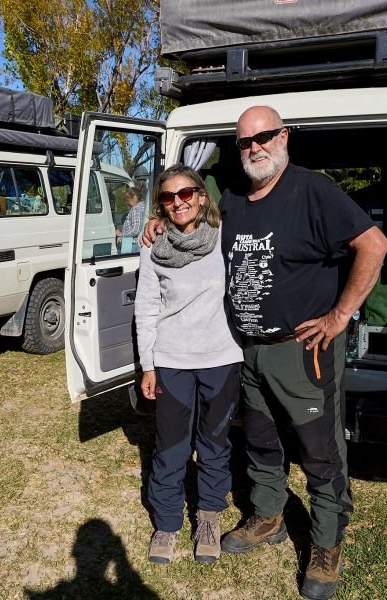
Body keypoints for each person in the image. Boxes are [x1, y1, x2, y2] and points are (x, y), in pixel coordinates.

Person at [142, 106, 387, 599]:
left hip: (301, 351)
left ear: (284, 138)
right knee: (261, 442)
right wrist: (155, 222)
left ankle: (325, 544)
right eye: (245, 141)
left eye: (264, 137)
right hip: (246, 350)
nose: (254, 147)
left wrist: (340, 316)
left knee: (320, 452)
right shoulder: (232, 198)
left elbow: (374, 244)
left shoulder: (313, 190)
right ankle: (268, 516)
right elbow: (190, 221)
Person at [134, 164, 243, 566]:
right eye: (167, 197)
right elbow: (146, 308)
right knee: (171, 446)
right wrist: (148, 365)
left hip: (221, 358)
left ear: (200, 195)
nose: (177, 202)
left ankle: (209, 518)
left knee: (214, 444)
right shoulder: (153, 244)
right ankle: (166, 523)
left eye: (185, 194)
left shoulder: (226, 238)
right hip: (172, 361)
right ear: (160, 205)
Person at [117, 186, 145, 252]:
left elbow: (135, 230)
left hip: (132, 244)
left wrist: (121, 235)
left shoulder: (135, 209)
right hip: (134, 243)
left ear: (135, 198)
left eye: (128, 200)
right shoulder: (143, 207)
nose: (126, 203)